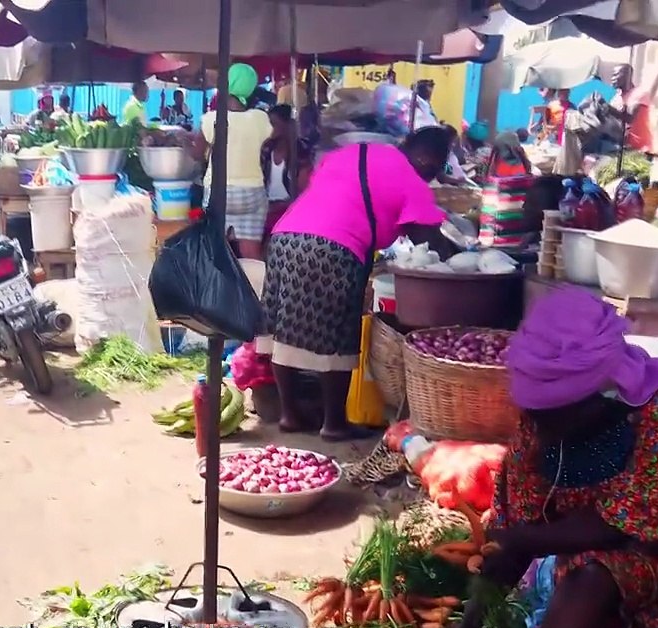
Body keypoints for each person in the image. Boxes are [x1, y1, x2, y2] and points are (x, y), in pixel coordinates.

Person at [437, 288, 658, 628]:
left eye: (552, 417)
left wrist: (522, 539)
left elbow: (618, 525)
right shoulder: (540, 426)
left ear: (601, 395)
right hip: (590, 568)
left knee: (594, 570)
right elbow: (517, 531)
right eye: (535, 416)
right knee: (582, 568)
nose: (541, 431)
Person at [258, 127, 461, 441]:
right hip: (334, 247)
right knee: (337, 335)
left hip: (285, 236)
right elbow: (429, 241)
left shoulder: (351, 153)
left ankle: (290, 414)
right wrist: (459, 257)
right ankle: (334, 424)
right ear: (427, 160)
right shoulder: (413, 182)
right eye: (436, 164)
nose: (433, 172)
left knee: (284, 327)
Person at [195, 63, 272, 261]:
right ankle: (255, 280)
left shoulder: (211, 119)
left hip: (218, 193)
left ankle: (218, 280)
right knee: (251, 254)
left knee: (215, 252)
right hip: (251, 193)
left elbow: (196, 154)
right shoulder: (261, 118)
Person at [259, 104, 312, 241]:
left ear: (287, 125)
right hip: (267, 207)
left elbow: (304, 190)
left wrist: (284, 205)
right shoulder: (267, 148)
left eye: (274, 124)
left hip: (289, 209)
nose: (270, 128)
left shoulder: (301, 151)